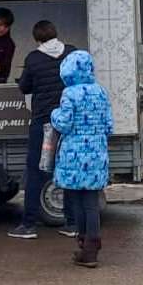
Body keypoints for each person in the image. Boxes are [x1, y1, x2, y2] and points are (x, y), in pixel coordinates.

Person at [50, 50, 114, 268]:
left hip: (74, 155)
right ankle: (92, 247)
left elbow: (64, 124)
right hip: (97, 153)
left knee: (76, 200)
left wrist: (53, 114)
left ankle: (84, 244)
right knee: (91, 202)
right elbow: (109, 126)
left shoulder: (70, 94)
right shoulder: (101, 92)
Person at [9, 20, 71, 239]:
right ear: (56, 34)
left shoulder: (33, 58)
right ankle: (72, 223)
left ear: (37, 38)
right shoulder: (71, 52)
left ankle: (28, 225)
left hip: (43, 121)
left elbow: (24, 86)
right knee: (66, 168)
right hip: (68, 121)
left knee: (35, 171)